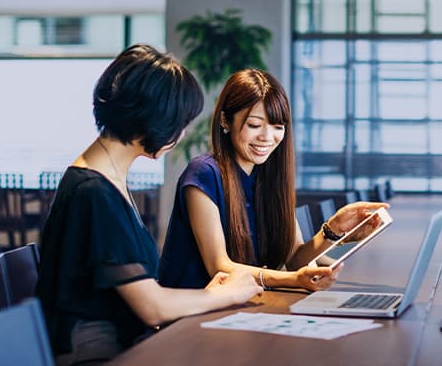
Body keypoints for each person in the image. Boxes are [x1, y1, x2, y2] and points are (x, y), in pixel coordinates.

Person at [35, 45, 263, 365]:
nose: (181, 134)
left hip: (123, 342)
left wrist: (211, 294)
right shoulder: (93, 192)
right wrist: (227, 294)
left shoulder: (104, 179)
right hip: (100, 354)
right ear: (156, 119)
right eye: (180, 122)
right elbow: (151, 307)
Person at [158, 68, 388, 291]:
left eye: (278, 126)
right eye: (255, 125)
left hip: (242, 306)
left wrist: (332, 231)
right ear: (225, 121)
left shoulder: (269, 176)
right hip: (191, 315)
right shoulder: (204, 173)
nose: (267, 137)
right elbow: (220, 267)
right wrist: (293, 280)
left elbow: (295, 259)